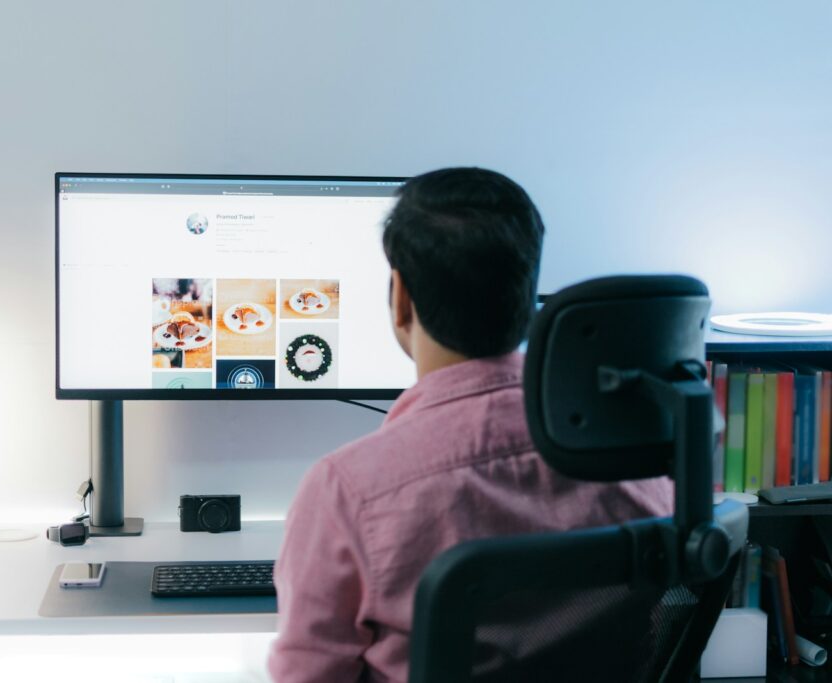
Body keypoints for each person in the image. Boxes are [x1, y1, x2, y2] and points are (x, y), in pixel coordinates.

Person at [266, 167, 674, 682]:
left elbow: (309, 676)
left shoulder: (347, 490)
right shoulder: (641, 466)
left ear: (401, 298)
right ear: (529, 295)